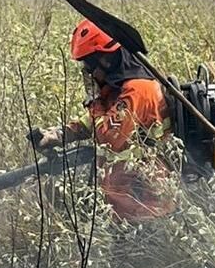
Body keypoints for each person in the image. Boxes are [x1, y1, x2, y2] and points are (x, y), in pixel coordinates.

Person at [35, 19, 176, 221]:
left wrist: (94, 101)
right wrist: (58, 135)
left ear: (105, 60)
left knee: (144, 251)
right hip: (123, 204)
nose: (87, 72)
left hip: (145, 204)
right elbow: (92, 123)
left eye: (89, 65)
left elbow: (110, 137)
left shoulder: (137, 90)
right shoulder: (116, 88)